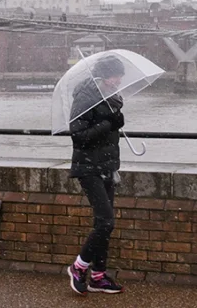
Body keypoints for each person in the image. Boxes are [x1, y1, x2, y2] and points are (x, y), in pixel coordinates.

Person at [67, 55, 126, 296]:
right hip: (88, 168)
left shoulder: (112, 98)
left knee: (105, 225)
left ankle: (99, 276)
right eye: (116, 76)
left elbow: (107, 132)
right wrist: (108, 124)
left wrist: (116, 122)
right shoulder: (86, 97)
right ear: (104, 76)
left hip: (107, 167)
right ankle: (79, 267)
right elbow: (78, 136)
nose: (120, 80)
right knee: (105, 221)